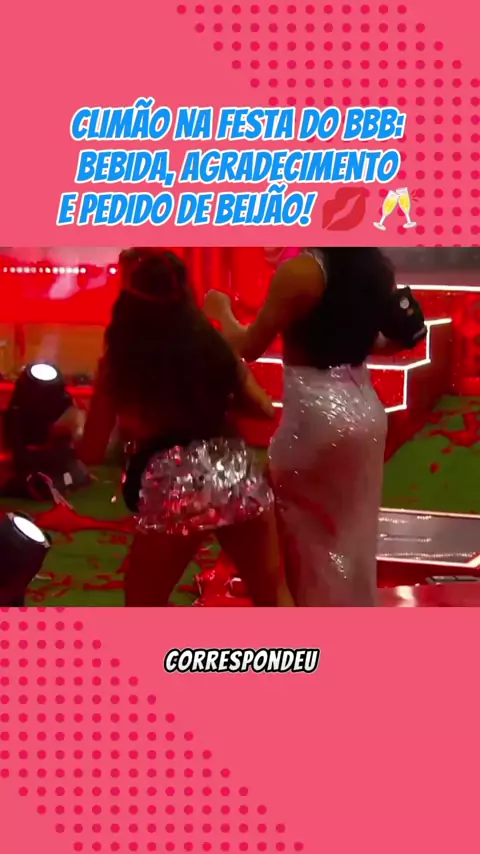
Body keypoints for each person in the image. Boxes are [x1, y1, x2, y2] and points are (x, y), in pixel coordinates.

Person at [205, 247, 427, 606]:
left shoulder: (300, 272)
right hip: (366, 414)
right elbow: (387, 342)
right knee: (350, 540)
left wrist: (220, 311)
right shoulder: (373, 268)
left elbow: (248, 346)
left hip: (316, 418)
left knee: (298, 543)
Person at [82, 247, 293, 608]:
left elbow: (91, 449)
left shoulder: (120, 360)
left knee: (143, 604)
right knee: (272, 593)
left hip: (175, 478)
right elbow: (264, 409)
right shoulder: (212, 346)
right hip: (233, 467)